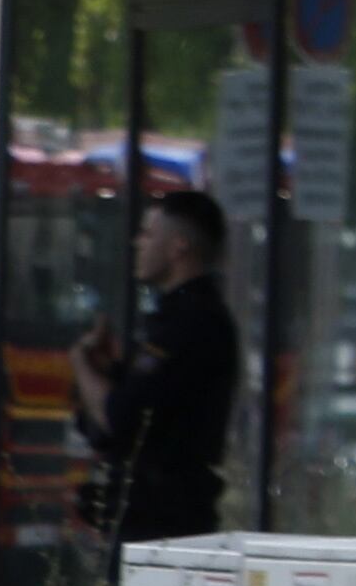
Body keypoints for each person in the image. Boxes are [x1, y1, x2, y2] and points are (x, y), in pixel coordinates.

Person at [70, 187, 240, 547]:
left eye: (148, 233)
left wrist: (81, 363)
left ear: (179, 246)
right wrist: (105, 376)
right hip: (146, 522)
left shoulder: (191, 323)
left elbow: (120, 418)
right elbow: (102, 428)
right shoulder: (167, 321)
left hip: (163, 526)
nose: (137, 243)